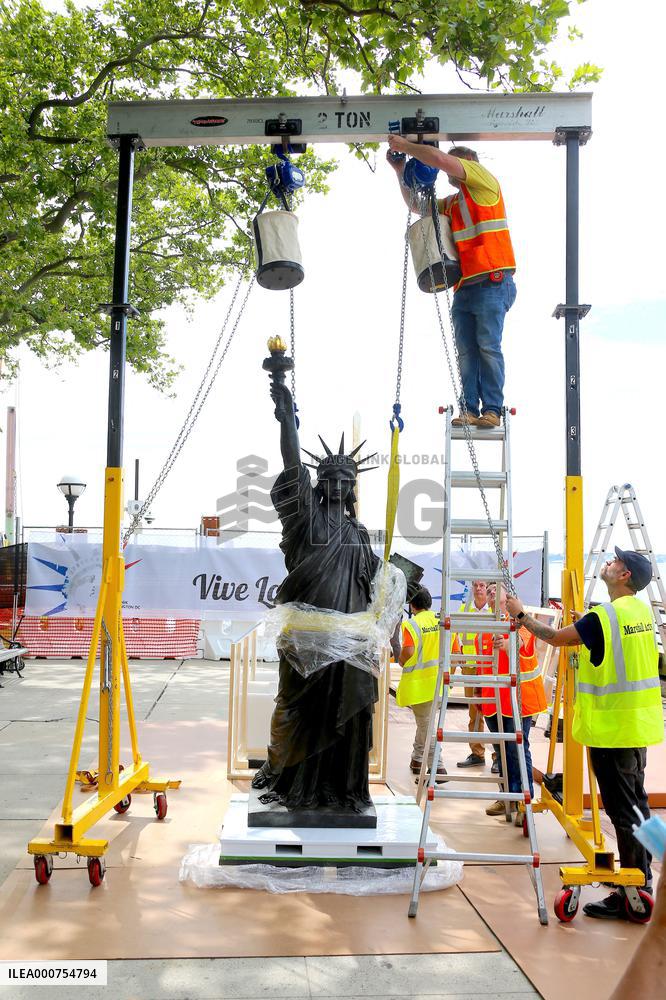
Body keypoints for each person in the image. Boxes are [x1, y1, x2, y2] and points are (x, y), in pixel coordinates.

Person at [507, 546, 664, 920]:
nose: (608, 565)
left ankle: (635, 888)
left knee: (622, 809)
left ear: (624, 576)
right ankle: (648, 876)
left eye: (614, 563)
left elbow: (557, 638)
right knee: (637, 804)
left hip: (611, 729)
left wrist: (521, 616)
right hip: (636, 725)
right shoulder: (640, 612)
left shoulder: (604, 617)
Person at [252, 377, 382, 815]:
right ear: (320, 483)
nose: (340, 486)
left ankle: (342, 791)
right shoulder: (305, 518)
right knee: (298, 714)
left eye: (347, 480)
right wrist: (288, 417)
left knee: (349, 716)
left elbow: (374, 580)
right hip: (307, 640)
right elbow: (292, 461)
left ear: (353, 488)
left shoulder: (359, 533)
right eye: (332, 478)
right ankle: (296, 786)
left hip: (349, 649)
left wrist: (407, 585)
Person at [387, 136, 516, 428]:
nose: (447, 172)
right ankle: (469, 408)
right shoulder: (454, 203)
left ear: (468, 163)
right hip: (467, 286)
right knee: (469, 351)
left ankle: (492, 409)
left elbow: (442, 160)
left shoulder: (484, 183)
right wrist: (399, 172)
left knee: (487, 346)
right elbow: (418, 205)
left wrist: (407, 147)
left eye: (453, 165)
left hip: (492, 281)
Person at [479, 584, 547, 821]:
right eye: (487, 590)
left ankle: (522, 801)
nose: (489, 593)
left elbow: (520, 644)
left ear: (507, 594)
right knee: (500, 751)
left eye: (494, 588)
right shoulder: (487, 623)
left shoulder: (521, 620)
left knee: (517, 749)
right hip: (492, 700)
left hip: (517, 701)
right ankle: (507, 796)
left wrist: (507, 645)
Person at [396, 587, 448, 782]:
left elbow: (408, 651)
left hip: (420, 686)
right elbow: (455, 647)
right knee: (425, 723)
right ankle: (417, 760)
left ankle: (437, 767)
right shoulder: (440, 619)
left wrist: (401, 661)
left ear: (412, 605)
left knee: (426, 727)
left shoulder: (412, 624)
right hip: (441, 683)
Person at [453, 579, 491, 768]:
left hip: (490, 668)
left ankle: (499, 758)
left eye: (482, 585)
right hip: (470, 667)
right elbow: (455, 636)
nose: (478, 588)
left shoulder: (494, 610)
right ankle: (477, 753)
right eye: (475, 585)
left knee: (494, 712)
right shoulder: (464, 609)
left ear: (487, 588)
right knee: (475, 713)